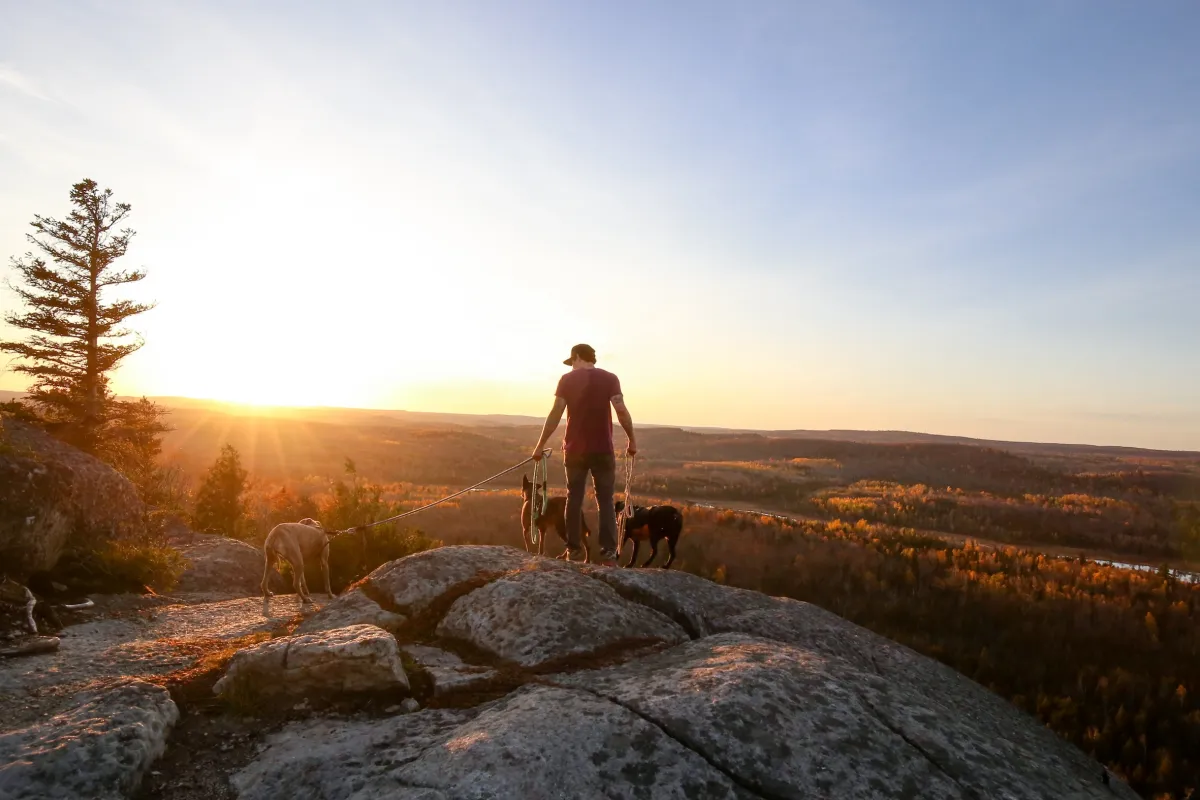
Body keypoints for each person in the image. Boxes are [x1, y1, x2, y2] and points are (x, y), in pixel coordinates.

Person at [531, 343, 637, 566]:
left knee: (574, 499)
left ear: (577, 357)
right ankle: (609, 554)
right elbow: (621, 410)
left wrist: (540, 445)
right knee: (605, 501)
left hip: (575, 450)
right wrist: (632, 440)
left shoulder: (566, 380)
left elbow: (555, 413)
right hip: (603, 450)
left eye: (572, 362)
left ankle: (574, 551)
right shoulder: (610, 378)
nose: (571, 367)